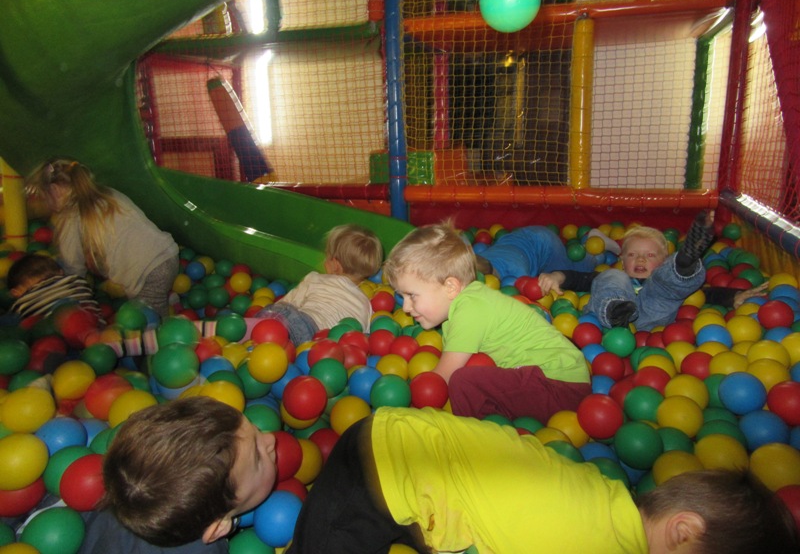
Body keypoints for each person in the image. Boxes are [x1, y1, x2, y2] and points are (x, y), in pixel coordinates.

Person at [287, 406, 798, 554]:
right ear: (683, 531)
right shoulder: (596, 542)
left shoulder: (608, 496)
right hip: (382, 467)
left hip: (414, 446)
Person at [383, 222, 590, 422]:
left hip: (559, 386)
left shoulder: (469, 311)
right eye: (402, 296)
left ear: (450, 287)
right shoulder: (469, 301)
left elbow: (439, 381)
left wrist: (405, 406)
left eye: (412, 296)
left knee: (463, 381)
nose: (406, 308)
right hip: (555, 380)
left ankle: (475, 434)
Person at [78, 396, 277, 554]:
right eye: (258, 458)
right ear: (218, 529)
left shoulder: (115, 497)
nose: (270, 440)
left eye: (255, 428)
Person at [27, 159, 179, 318]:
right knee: (151, 296)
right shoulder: (108, 193)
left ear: (55, 190)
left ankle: (170, 321)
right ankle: (170, 299)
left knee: (145, 319)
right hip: (167, 253)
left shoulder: (69, 217)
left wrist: (71, 300)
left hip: (147, 271)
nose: (46, 205)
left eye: (44, 198)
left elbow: (73, 268)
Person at [538, 212, 718, 331]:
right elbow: (579, 279)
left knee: (665, 285)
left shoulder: (660, 282)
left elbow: (705, 294)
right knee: (611, 276)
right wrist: (557, 276)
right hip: (608, 320)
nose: (640, 259)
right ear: (622, 262)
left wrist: (729, 297)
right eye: (632, 255)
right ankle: (615, 309)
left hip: (653, 315)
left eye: (650, 255)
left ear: (663, 261)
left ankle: (683, 265)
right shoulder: (617, 276)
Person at [253, 224, 383, 345]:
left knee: (273, 315)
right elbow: (362, 333)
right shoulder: (366, 304)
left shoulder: (315, 279)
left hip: (301, 325)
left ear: (335, 266)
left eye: (327, 256)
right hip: (323, 344)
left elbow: (288, 302)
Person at [475, 225, 620, 280]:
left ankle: (594, 245)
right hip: (522, 237)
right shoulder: (478, 260)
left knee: (574, 273)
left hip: (545, 244)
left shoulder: (517, 274)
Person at [5, 253, 101, 321]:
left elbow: (18, 326)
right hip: (95, 328)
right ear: (61, 272)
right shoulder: (75, 280)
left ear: (15, 292)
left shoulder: (21, 304)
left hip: (50, 337)